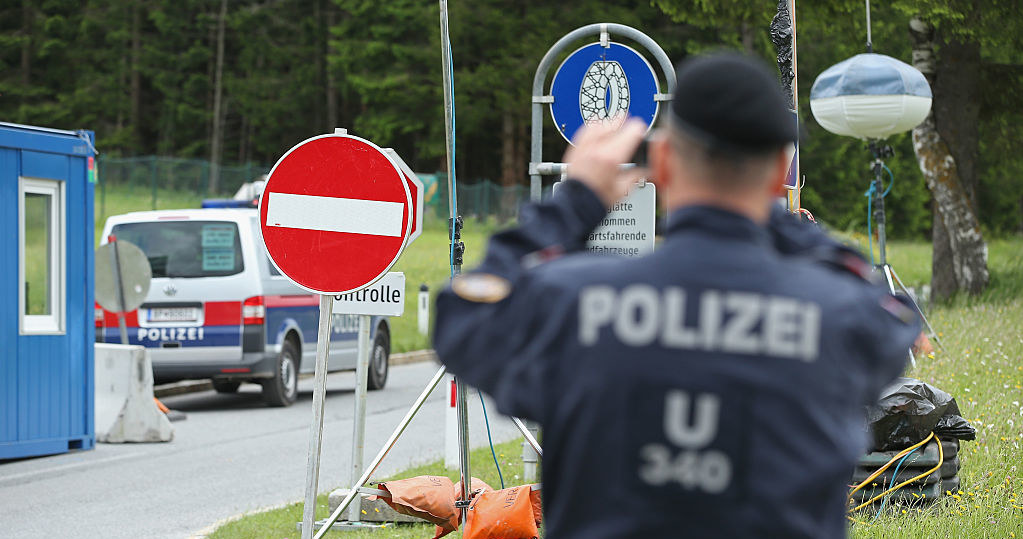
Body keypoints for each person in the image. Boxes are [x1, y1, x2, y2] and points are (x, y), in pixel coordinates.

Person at [432, 52, 920, 538]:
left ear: (662, 162)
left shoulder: (573, 300)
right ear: (777, 172)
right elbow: (894, 315)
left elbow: (463, 316)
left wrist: (577, 199)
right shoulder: (839, 314)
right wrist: (774, 215)